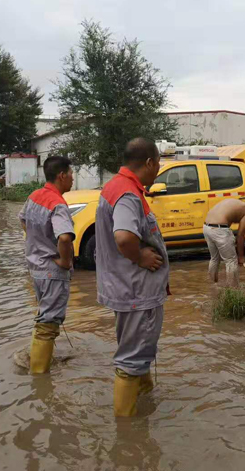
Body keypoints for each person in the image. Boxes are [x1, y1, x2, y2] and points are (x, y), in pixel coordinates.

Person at [95, 137, 169, 417]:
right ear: (149, 163)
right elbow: (124, 237)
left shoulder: (114, 185)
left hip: (126, 288)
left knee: (136, 353)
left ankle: (145, 401)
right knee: (130, 361)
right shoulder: (127, 193)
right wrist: (140, 256)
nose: (158, 169)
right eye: (158, 164)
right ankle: (126, 434)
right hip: (136, 291)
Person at [19, 156, 75, 374]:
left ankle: (36, 361)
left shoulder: (35, 196)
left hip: (36, 269)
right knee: (48, 324)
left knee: (43, 317)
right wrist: (64, 260)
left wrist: (38, 242)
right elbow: (64, 238)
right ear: (61, 176)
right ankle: (39, 376)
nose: (72, 178)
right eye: (71, 174)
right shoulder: (58, 203)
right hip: (52, 271)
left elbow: (22, 219)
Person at [203, 198, 245, 286]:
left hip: (206, 228)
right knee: (231, 261)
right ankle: (233, 291)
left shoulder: (235, 204)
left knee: (214, 258)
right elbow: (240, 235)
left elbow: (226, 223)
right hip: (219, 230)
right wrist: (241, 257)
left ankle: (213, 286)